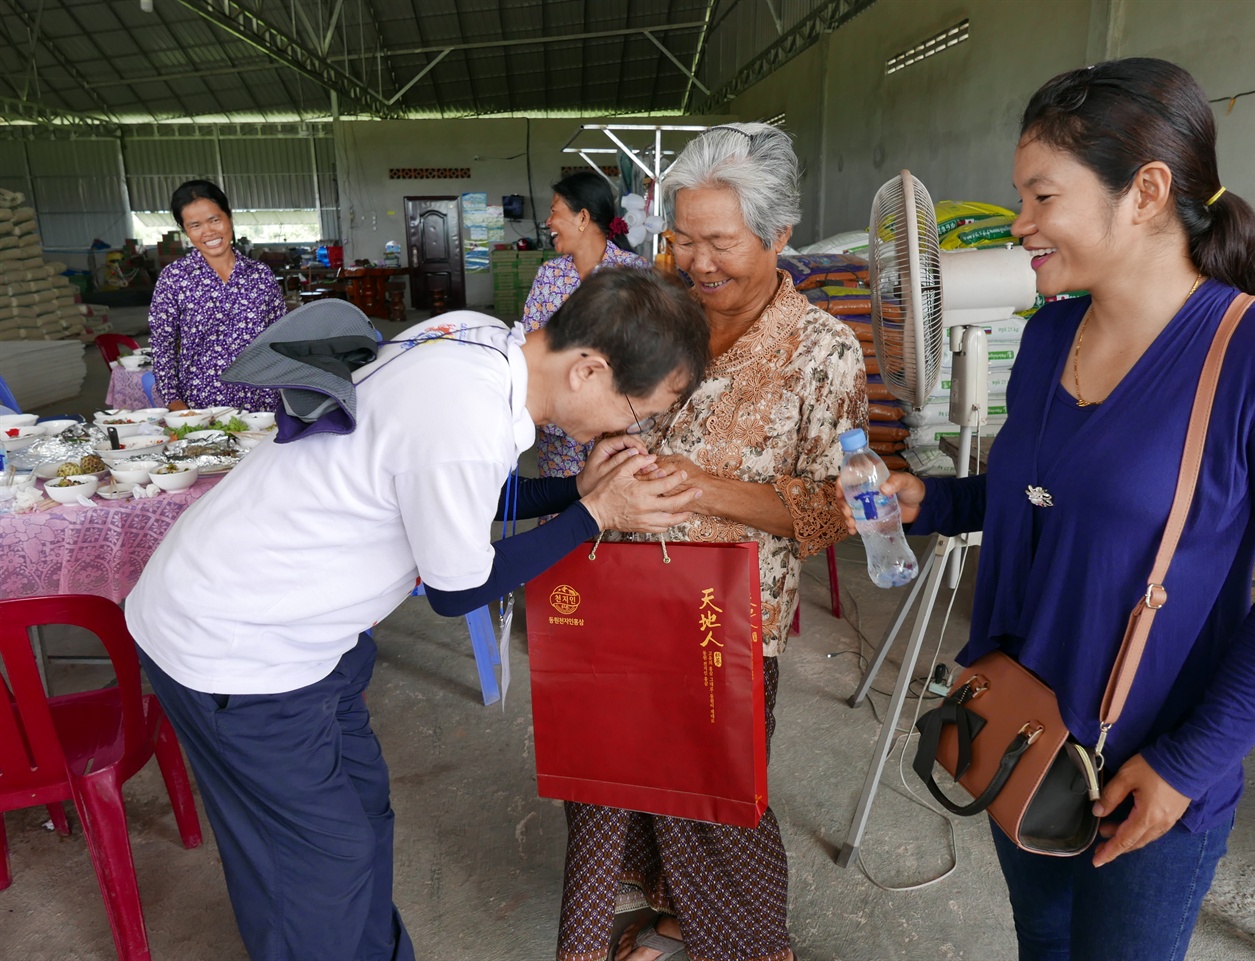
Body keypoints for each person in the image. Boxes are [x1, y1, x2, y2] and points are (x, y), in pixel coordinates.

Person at [126, 268, 710, 961]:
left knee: (363, 816)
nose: (630, 427)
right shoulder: (466, 414)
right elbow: (458, 589)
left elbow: (448, 488)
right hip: (236, 644)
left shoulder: (483, 342)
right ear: (587, 369)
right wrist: (592, 515)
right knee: (317, 864)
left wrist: (570, 489)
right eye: (635, 410)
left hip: (311, 639)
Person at [843, 58, 1255, 961]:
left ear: (1147, 192)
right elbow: (1044, 496)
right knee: (1042, 939)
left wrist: (1186, 767)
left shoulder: (1254, 358)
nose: (1020, 224)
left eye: (1042, 197)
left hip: (1145, 772)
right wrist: (936, 499)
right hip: (1016, 735)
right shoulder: (1045, 335)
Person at [556, 124, 867, 961]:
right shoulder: (652, 312)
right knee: (615, 781)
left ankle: (751, 941)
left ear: (779, 235)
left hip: (722, 621)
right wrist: (601, 471)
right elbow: (587, 407)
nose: (696, 262)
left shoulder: (823, 352)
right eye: (681, 239)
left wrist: (708, 489)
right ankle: (669, 918)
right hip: (616, 591)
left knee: (716, 799)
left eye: (719, 242)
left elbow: (836, 510)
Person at [523, 171, 649, 477]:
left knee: (612, 514)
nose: (549, 222)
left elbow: (651, 353)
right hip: (558, 427)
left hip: (617, 428)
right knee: (558, 508)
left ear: (582, 217)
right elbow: (528, 346)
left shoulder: (634, 274)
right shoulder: (549, 276)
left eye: (554, 212)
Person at [148, 179, 286, 412]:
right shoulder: (174, 278)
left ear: (229, 217)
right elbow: (163, 346)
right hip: (201, 409)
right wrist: (175, 404)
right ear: (185, 231)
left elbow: (282, 338)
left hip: (265, 406)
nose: (208, 232)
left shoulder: (260, 275)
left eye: (214, 220)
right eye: (195, 225)